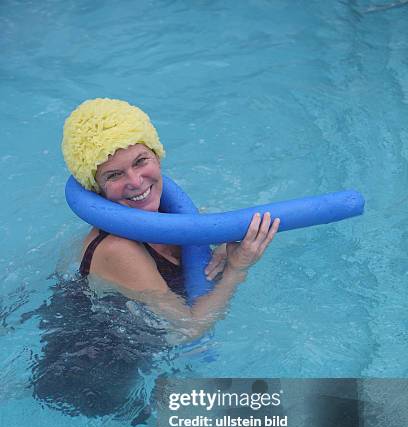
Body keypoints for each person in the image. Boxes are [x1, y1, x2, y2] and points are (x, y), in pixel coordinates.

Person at [62, 98, 280, 341]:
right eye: (114, 175)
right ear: (96, 190)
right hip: (92, 368)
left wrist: (222, 250)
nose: (135, 182)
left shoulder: (169, 212)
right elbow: (187, 330)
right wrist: (236, 270)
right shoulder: (117, 250)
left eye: (140, 161)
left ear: (157, 155)